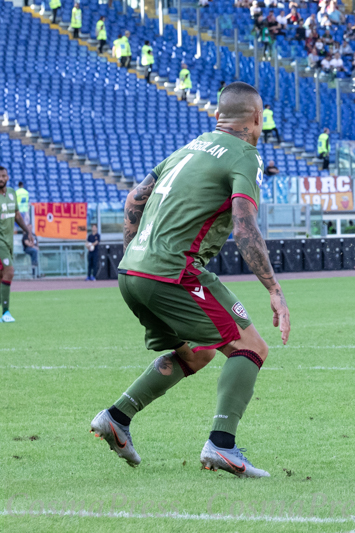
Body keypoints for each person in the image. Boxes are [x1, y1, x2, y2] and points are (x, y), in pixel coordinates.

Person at [90, 82, 290, 478]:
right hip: (174, 271)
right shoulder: (246, 156)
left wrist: (135, 254)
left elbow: (134, 199)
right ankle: (222, 445)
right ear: (255, 117)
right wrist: (274, 289)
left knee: (196, 352)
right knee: (251, 347)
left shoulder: (188, 148)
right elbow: (244, 225)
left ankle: (116, 418)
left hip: (132, 271)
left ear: (219, 115)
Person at [0, 166, 33, 322]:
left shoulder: (12, 193)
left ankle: (4, 312)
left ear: (7, 177)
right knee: (10, 271)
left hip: (9, 242)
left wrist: (27, 231)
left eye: (3, 176)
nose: (1, 178)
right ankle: (6, 313)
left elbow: (17, 215)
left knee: (2, 276)